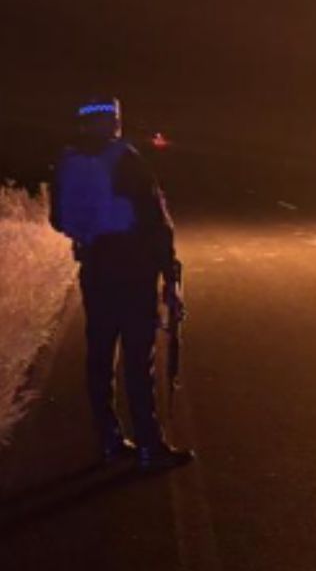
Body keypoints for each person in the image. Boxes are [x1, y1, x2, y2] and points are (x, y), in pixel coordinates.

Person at [49, 96, 194, 471]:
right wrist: (168, 271)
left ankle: (109, 441)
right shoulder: (128, 160)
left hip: (95, 268)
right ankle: (149, 445)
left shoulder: (68, 162)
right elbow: (155, 221)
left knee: (99, 356)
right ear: (114, 122)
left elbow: (56, 218)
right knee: (137, 357)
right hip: (133, 269)